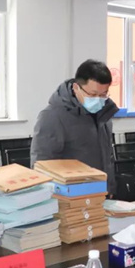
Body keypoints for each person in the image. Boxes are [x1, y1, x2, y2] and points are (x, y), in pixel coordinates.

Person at [31, 60, 118, 194]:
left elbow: (107, 158)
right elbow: (42, 164)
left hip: (100, 193)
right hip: (70, 196)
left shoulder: (104, 113)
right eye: (92, 94)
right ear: (76, 88)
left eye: (103, 94)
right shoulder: (53, 116)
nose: (98, 100)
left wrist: (110, 188)